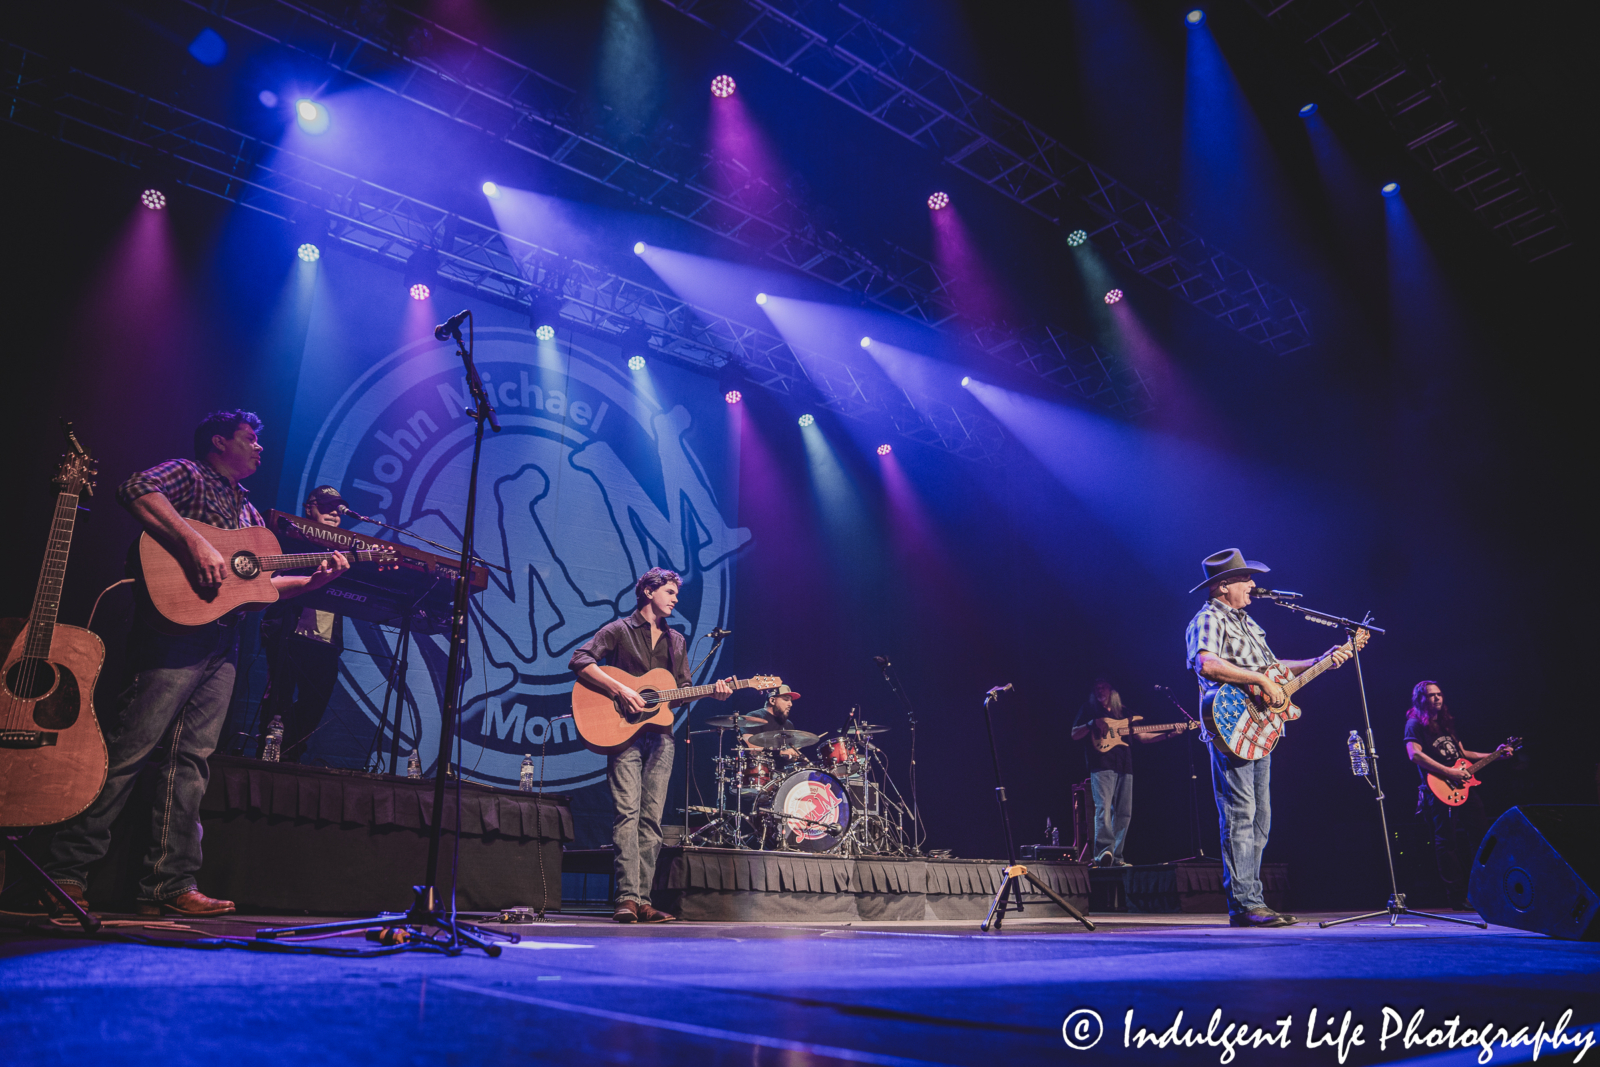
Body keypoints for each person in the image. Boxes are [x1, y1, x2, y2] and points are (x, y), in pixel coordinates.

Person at [44, 410, 349, 917]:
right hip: (172, 633)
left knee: (190, 762)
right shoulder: (189, 474)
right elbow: (136, 487)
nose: (260, 448)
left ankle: (169, 882)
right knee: (130, 749)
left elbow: (260, 588)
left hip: (222, 643)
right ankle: (65, 872)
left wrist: (315, 582)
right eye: (250, 439)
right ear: (218, 442)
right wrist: (195, 542)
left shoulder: (249, 512)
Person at [1184, 548, 1352, 928]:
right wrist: (1259, 680)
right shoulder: (1208, 617)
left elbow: (1273, 669)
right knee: (1240, 814)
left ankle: (1252, 899)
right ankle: (1244, 903)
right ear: (1224, 586)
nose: (1253, 585)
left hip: (1260, 728)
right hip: (1232, 724)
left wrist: (1317, 661)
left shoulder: (1247, 623)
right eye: (1246, 579)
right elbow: (1206, 663)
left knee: (1261, 818)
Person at [569, 568, 733, 923]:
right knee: (627, 812)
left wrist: (712, 692)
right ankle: (626, 897)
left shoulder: (677, 641)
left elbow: (679, 692)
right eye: (670, 591)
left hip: (660, 737)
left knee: (652, 819)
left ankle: (644, 900)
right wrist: (621, 690)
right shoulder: (618, 630)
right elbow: (580, 660)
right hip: (621, 733)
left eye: (676, 592)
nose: (676, 598)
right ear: (647, 591)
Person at [256, 486, 350, 764]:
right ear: (309, 508)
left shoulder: (344, 551)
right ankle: (268, 755)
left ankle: (290, 756)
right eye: (326, 506)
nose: (334, 512)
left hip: (326, 642)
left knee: (316, 703)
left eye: (338, 508)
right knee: (279, 702)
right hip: (290, 632)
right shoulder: (291, 539)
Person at [1404, 680, 1514, 910]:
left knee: (1482, 836)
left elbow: (1463, 753)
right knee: (1447, 842)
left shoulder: (1446, 725)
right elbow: (1414, 755)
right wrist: (1448, 772)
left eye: (1440, 694)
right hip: (1438, 788)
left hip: (1464, 787)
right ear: (1420, 699)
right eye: (1431, 695)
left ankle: (1482, 891)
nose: (1437, 698)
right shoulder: (1414, 724)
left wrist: (1495, 755)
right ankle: (1457, 897)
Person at [1070, 678, 1187, 867]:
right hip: (1101, 764)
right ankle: (1103, 853)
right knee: (1103, 809)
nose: (1100, 691)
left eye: (1104, 687)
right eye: (1097, 688)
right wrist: (1092, 723)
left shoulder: (1124, 712)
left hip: (1125, 765)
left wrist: (1169, 734)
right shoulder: (1089, 709)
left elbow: (1143, 736)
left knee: (1124, 813)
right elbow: (1074, 733)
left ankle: (1116, 857)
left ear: (1112, 690)